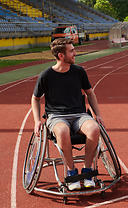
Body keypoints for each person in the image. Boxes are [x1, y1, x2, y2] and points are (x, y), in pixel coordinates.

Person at [31, 38, 104, 191]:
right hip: (56, 116)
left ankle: (87, 171)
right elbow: (35, 98)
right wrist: (37, 120)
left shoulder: (79, 71)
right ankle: (71, 172)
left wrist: (98, 114)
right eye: (71, 51)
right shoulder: (46, 75)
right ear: (61, 55)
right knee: (63, 131)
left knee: (94, 128)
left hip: (79, 114)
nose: (75, 53)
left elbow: (90, 93)